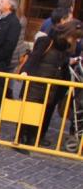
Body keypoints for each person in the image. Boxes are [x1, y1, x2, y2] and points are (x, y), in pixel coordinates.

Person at [19, 19, 83, 149]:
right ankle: (21, 139)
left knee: (43, 113)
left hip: (52, 86)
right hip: (37, 83)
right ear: (69, 33)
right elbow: (34, 57)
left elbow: (62, 65)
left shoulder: (65, 47)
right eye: (75, 38)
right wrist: (25, 71)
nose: (76, 41)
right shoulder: (47, 41)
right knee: (29, 112)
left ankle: (33, 138)